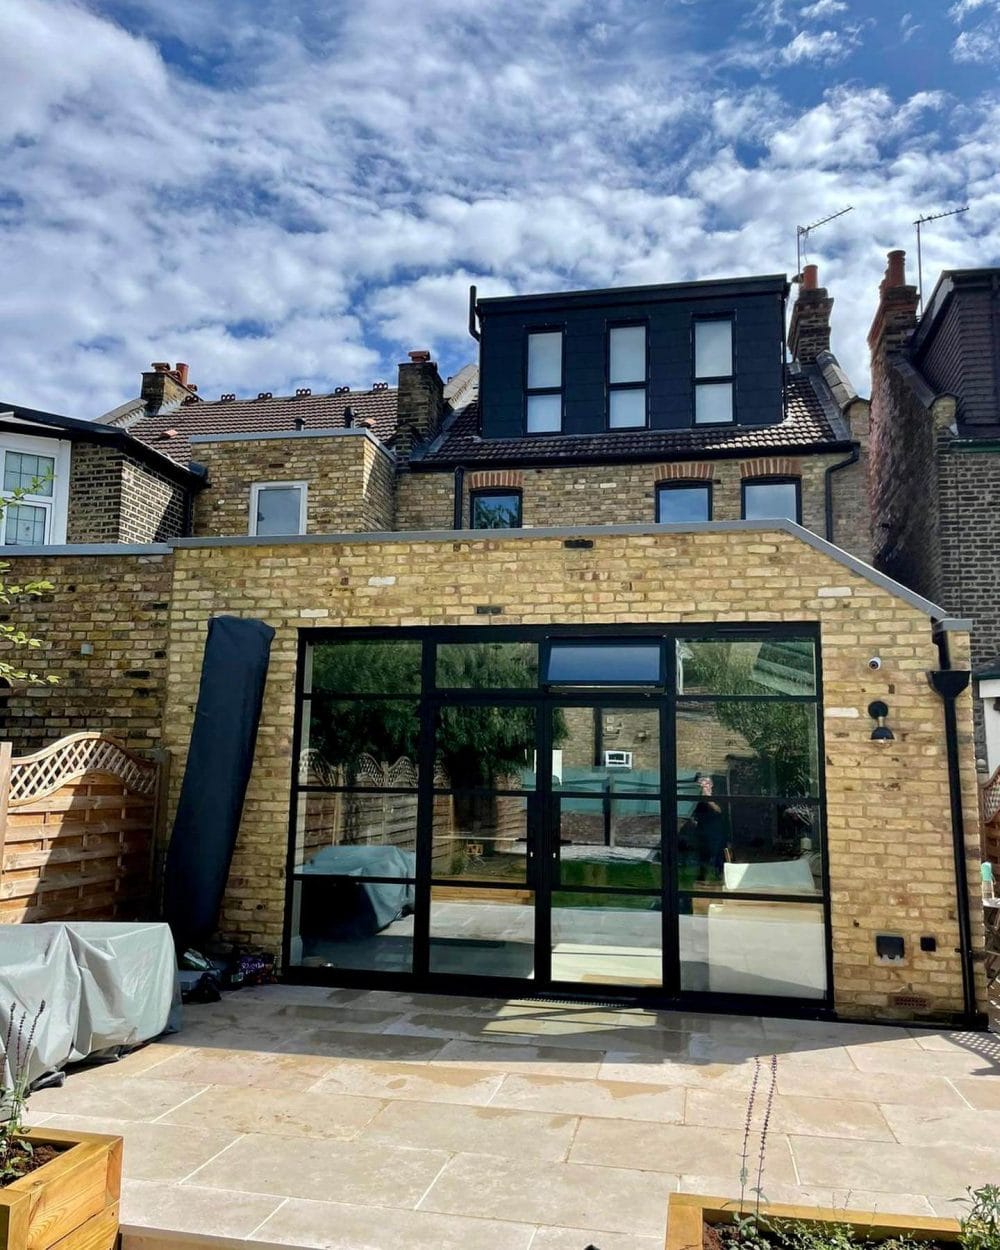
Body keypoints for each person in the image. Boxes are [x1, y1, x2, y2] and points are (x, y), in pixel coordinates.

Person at [692, 773, 728, 884]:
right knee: (703, 857)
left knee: (719, 856)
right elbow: (692, 815)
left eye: (706, 783)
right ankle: (701, 879)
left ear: (711, 785)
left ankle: (720, 878)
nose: (704, 786)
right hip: (702, 832)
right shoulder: (695, 800)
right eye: (701, 784)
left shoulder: (717, 796)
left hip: (716, 832)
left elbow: (719, 810)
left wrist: (708, 799)